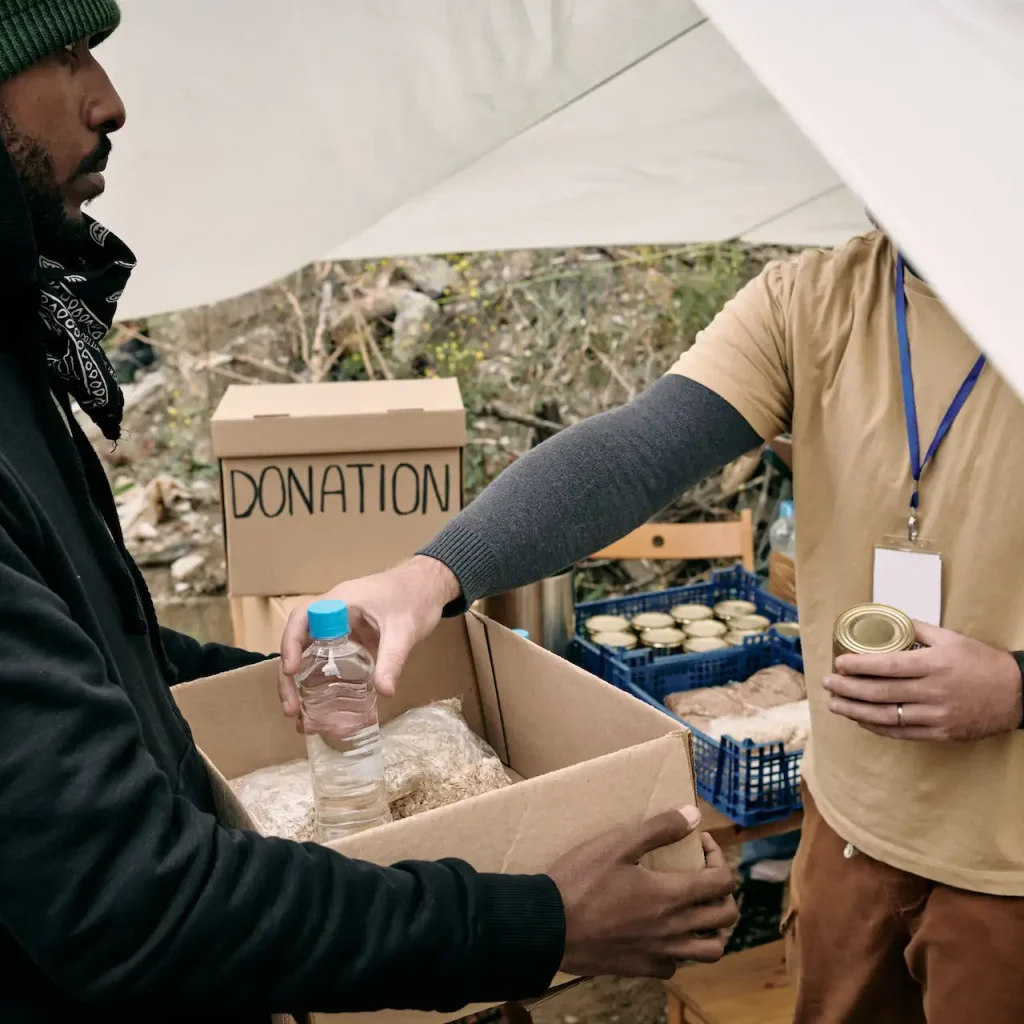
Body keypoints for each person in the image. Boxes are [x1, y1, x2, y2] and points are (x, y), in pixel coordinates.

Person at [0, 5, 739, 1022]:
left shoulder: (19, 365)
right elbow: (132, 903)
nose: (109, 100)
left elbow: (97, 651)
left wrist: (285, 669)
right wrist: (538, 925)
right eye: (64, 53)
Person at [282, 223, 1024, 1019]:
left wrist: (1017, 687)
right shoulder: (815, 297)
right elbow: (636, 451)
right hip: (846, 828)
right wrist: (427, 576)